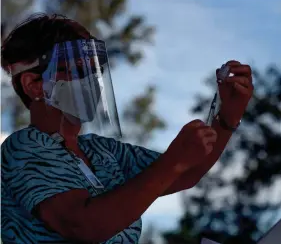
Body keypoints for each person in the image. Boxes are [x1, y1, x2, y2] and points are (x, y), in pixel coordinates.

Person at [1, 13, 254, 244]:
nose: (91, 81)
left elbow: (186, 172)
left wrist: (226, 118)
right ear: (34, 85)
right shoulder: (24, 147)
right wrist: (173, 161)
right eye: (79, 70)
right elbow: (82, 225)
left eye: (95, 70)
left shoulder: (101, 151)